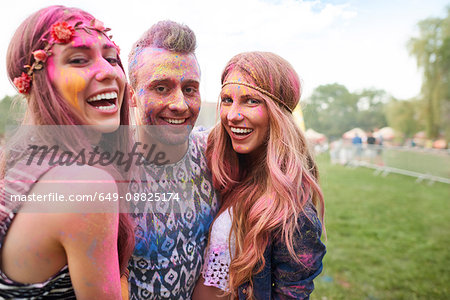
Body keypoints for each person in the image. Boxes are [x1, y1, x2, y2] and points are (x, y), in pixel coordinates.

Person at [0, 5, 134, 299]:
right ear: (34, 80)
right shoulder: (86, 187)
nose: (108, 71)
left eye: (111, 58)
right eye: (78, 59)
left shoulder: (16, 164)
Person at [193, 52, 326, 299]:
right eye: (227, 100)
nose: (232, 115)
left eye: (251, 101)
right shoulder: (224, 168)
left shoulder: (293, 211)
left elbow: (292, 293)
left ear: (278, 113)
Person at [127, 20, 219, 299]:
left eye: (190, 89)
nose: (180, 104)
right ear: (132, 97)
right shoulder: (107, 167)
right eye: (161, 88)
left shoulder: (212, 152)